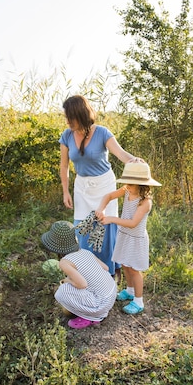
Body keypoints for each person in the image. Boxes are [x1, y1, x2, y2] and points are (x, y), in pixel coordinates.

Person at [59, 94, 143, 278]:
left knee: (104, 228)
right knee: (83, 228)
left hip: (104, 185)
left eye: (70, 117)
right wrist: (65, 191)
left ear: (80, 114)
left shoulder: (102, 133)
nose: (67, 121)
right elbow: (64, 166)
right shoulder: (66, 136)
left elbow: (120, 153)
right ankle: (88, 270)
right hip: (82, 186)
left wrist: (134, 160)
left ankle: (109, 271)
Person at [95, 162, 161, 315]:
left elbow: (132, 223)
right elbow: (109, 195)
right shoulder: (126, 190)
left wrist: (111, 219)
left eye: (130, 183)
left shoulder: (145, 202)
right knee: (125, 264)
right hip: (124, 235)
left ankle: (138, 301)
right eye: (126, 182)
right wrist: (101, 208)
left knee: (134, 269)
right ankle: (130, 290)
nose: (127, 185)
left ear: (141, 185)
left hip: (135, 238)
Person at [41, 221, 117, 329]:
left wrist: (67, 281)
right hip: (111, 293)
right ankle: (94, 311)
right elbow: (106, 268)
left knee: (62, 292)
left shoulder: (64, 262)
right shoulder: (85, 251)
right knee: (74, 283)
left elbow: (82, 284)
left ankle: (89, 317)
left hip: (101, 304)